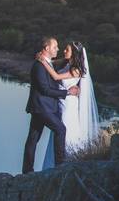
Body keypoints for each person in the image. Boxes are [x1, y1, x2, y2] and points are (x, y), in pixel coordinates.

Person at [22, 36, 80, 173]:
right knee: (60, 130)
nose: (58, 49)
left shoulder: (48, 63)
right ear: (47, 48)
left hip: (43, 107)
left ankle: (27, 170)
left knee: (33, 138)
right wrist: (67, 93)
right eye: (55, 47)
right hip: (42, 107)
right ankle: (59, 166)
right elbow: (45, 89)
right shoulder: (39, 66)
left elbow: (66, 65)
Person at [40, 41, 101, 169]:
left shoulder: (77, 70)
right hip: (62, 104)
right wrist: (45, 58)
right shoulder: (67, 64)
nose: (64, 51)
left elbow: (56, 77)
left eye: (67, 50)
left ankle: (65, 163)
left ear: (74, 54)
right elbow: (55, 64)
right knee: (58, 133)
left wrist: (43, 62)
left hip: (69, 107)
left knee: (66, 132)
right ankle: (53, 165)